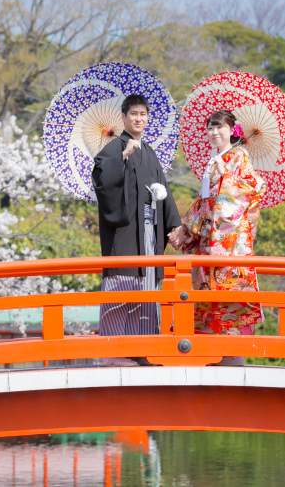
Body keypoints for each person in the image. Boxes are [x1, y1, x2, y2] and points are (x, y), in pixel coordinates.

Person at [168, 110, 267, 366]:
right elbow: (204, 203)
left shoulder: (239, 156)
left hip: (229, 244)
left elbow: (250, 193)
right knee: (206, 295)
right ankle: (209, 352)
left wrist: (227, 177)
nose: (214, 133)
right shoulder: (215, 160)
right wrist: (185, 228)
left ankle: (231, 355)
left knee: (228, 296)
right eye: (210, 128)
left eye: (219, 127)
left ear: (232, 130)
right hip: (209, 244)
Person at [92, 94, 183, 367]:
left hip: (149, 232)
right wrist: (121, 158)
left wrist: (174, 225)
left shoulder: (150, 152)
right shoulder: (113, 148)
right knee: (123, 283)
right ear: (123, 117)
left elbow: (163, 191)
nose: (138, 118)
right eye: (133, 114)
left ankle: (143, 349)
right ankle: (114, 352)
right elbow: (101, 180)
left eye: (143, 114)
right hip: (125, 232)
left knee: (147, 287)